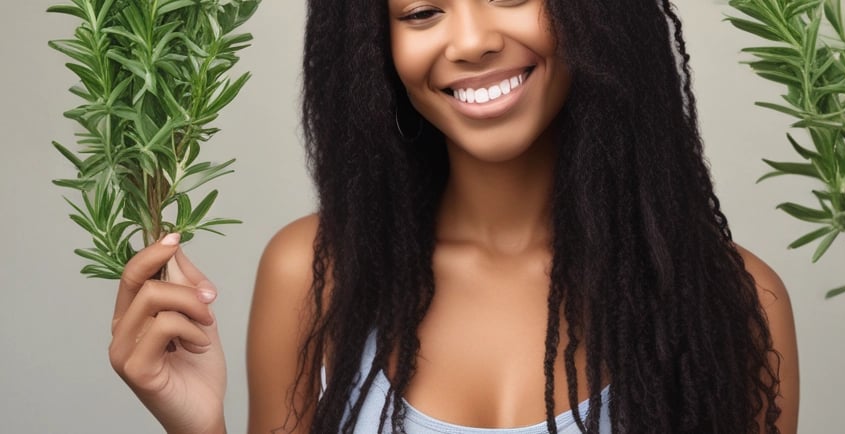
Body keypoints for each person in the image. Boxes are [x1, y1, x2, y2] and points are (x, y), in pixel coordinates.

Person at [108, 0, 799, 432]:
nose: (470, 40)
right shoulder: (314, 274)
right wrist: (197, 428)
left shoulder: (734, 302)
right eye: (421, 12)